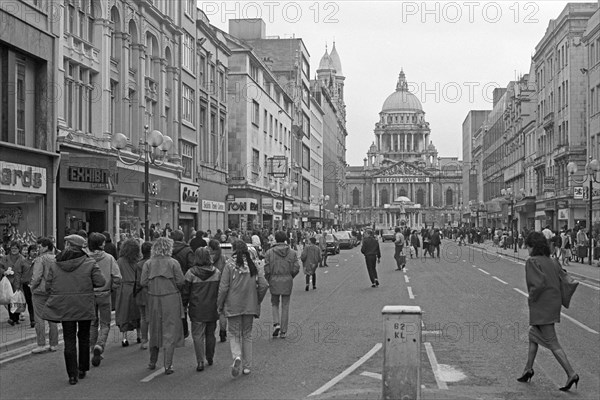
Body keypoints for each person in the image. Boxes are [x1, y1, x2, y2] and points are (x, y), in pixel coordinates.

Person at [517, 231, 579, 391]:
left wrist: (531, 298)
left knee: (552, 341)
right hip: (553, 303)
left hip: (541, 305)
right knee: (533, 335)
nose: (527, 249)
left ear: (533, 246)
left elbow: (537, 284)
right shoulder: (553, 261)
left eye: (528, 246)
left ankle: (571, 373)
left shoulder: (532, 262)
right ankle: (528, 369)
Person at [42, 234, 105, 385]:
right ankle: (82, 368)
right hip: (84, 305)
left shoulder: (56, 264)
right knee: (83, 337)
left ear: (68, 246)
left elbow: (48, 286)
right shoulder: (90, 262)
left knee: (69, 340)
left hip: (64, 306)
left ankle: (72, 375)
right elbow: (100, 281)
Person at [217, 240, 268, 377]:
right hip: (249, 304)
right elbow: (263, 285)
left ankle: (237, 356)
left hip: (233, 305)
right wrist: (257, 299)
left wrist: (220, 304)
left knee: (234, 334)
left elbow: (223, 288)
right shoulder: (253, 265)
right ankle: (247, 366)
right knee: (247, 334)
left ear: (233, 249)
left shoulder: (229, 265)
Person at [140, 237, 185, 374]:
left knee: (154, 328)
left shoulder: (148, 263)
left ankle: (152, 361)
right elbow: (181, 281)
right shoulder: (173, 263)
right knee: (170, 330)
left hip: (153, 297)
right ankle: (168, 364)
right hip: (171, 297)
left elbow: (143, 282)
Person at [181, 248, 221, 372]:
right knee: (211, 334)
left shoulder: (190, 273)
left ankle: (200, 361)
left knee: (198, 336)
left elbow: (186, 292)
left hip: (196, 308)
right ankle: (210, 356)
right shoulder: (217, 272)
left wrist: (183, 306)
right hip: (212, 307)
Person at [88, 232, 122, 367]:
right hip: (104, 293)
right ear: (101, 244)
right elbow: (117, 277)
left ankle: (92, 348)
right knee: (105, 323)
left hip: (89, 294)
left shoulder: (86, 258)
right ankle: (100, 345)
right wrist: (112, 287)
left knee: (92, 323)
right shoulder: (109, 258)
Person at [264, 231, 300, 339]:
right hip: (287, 279)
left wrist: (269, 278)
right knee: (285, 305)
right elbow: (296, 267)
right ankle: (283, 331)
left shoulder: (269, 252)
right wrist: (290, 276)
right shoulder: (292, 253)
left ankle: (276, 324)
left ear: (275, 239)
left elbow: (266, 268)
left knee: (274, 303)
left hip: (274, 279)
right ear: (285, 239)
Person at [29, 237, 59, 354]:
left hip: (40, 291)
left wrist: (32, 287)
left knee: (39, 318)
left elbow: (37, 277)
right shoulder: (57, 258)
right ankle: (54, 344)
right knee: (52, 318)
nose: (38, 249)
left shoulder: (40, 259)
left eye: (40, 247)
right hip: (53, 291)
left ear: (46, 247)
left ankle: (41, 344)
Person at [115, 239, 141, 346]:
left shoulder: (119, 261)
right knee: (137, 313)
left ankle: (124, 338)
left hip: (123, 288)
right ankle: (139, 336)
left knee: (124, 313)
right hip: (135, 288)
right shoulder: (137, 261)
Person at [0, 241, 26, 325]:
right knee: (9, 298)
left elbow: (25, 270)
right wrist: (4, 272)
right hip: (8, 282)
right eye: (12, 248)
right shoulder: (5, 258)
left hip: (18, 281)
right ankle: (11, 317)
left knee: (17, 299)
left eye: (16, 248)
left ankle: (16, 317)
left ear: (19, 249)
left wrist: (23, 278)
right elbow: (0, 267)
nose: (14, 250)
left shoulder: (22, 259)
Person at [208, 239, 228, 342]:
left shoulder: (206, 257)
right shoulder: (223, 258)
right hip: (220, 285)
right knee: (222, 311)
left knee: (210, 310)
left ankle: (210, 333)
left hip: (208, 286)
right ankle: (223, 332)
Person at [135, 242, 152, 349]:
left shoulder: (139, 264)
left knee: (143, 316)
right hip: (152, 291)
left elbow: (137, 280)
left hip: (141, 292)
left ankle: (144, 339)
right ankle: (155, 339)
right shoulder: (153, 263)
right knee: (154, 317)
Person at [21, 244, 38, 328]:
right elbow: (19, 272)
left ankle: (35, 318)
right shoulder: (24, 261)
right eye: (33, 251)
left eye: (36, 250)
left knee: (36, 302)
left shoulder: (39, 260)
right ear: (29, 252)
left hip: (37, 284)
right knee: (30, 302)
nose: (35, 252)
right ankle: (32, 320)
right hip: (26, 285)